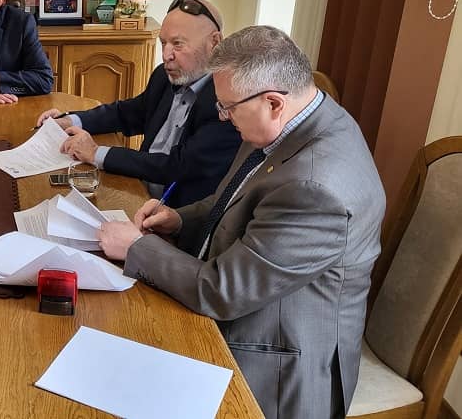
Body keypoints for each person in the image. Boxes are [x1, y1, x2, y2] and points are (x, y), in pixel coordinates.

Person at [98, 26, 384, 419]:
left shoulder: (315, 188)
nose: (223, 116)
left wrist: (136, 247)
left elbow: (224, 291)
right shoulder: (293, 117)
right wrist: (179, 220)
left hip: (273, 362)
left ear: (273, 102)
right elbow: (232, 200)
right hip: (241, 306)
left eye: (228, 108)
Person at [36, 0, 241, 212]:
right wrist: (70, 120)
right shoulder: (164, 76)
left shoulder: (228, 102)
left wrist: (95, 153)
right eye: (163, 43)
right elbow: (127, 113)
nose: (166, 55)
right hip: (138, 190)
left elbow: (177, 166)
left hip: (177, 215)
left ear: (214, 42)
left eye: (178, 44)